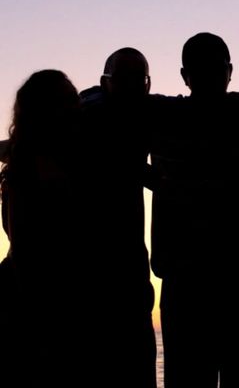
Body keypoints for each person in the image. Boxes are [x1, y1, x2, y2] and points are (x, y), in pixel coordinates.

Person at [148, 32, 239, 388]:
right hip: (191, 280)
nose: (206, 76)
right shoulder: (163, 116)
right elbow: (98, 101)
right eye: (199, 70)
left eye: (213, 68)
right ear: (185, 75)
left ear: (229, 71)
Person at [79, 47, 157, 388]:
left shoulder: (145, 112)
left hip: (131, 274)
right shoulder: (85, 116)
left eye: (138, 78)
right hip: (88, 273)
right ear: (105, 82)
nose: (131, 85)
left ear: (147, 84)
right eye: (122, 77)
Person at [0, 70, 83, 388]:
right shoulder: (27, 168)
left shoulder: (56, 160)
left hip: (55, 299)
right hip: (36, 302)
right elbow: (23, 247)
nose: (74, 109)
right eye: (64, 102)